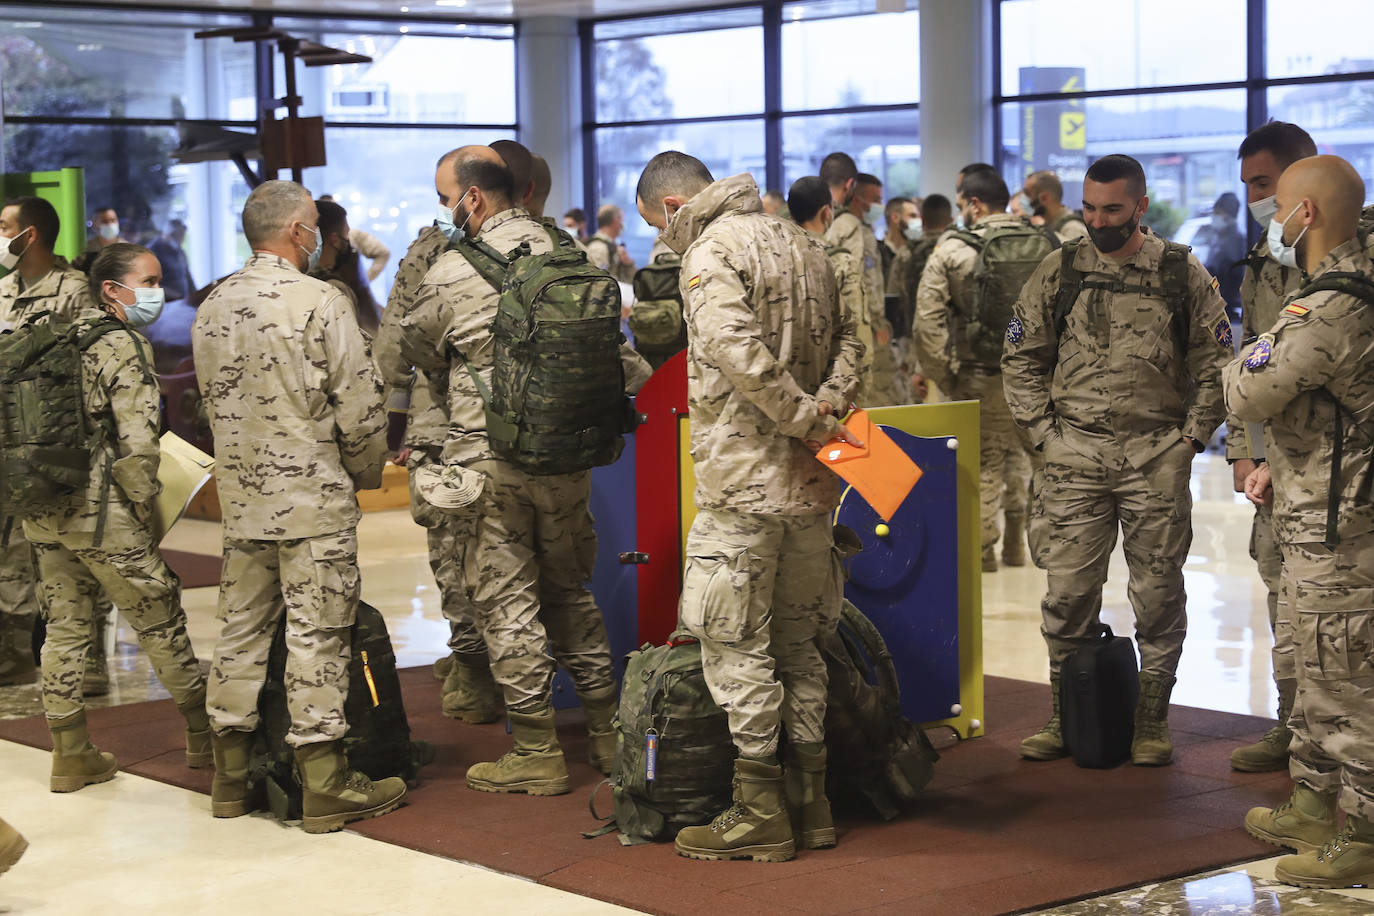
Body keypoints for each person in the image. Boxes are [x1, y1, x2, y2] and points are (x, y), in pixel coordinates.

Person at [399, 146, 651, 797]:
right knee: (572, 591)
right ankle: (605, 736)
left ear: (473, 199)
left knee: (507, 600)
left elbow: (416, 346)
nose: (445, 209)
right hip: (569, 455)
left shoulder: (453, 270)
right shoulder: (575, 256)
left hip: (491, 462)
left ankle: (537, 749)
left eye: (444, 195)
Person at [636, 151, 862, 863]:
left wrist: (800, 416)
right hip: (815, 486)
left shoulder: (710, 250)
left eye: (657, 227)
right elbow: (859, 341)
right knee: (801, 646)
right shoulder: (808, 241)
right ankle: (812, 800)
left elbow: (731, 347)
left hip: (743, 488)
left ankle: (759, 808)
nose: (662, 243)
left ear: (673, 208)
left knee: (736, 647)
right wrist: (827, 414)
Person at [1003, 154, 1232, 767]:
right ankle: (1064, 713)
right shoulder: (1061, 269)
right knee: (1068, 593)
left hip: (1155, 454)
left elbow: (1216, 363)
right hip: (1073, 455)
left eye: (1111, 209)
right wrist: (1046, 439)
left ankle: (1151, 721)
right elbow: (1021, 360)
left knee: (1158, 595)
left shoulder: (1181, 273)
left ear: (1139, 206)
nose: (1098, 220)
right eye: (1089, 208)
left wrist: (1190, 440)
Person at [192, 180, 404, 834]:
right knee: (318, 634)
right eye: (313, 224)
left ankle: (231, 778)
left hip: (245, 499)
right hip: (312, 501)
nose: (320, 237)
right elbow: (361, 410)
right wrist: (366, 473)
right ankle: (325, 784)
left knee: (239, 631)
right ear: (294, 231)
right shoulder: (321, 302)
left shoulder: (214, 304)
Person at [1226, 155, 1374, 889]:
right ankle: (1315, 803)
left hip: (1340, 527)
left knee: (1345, 679)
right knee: (1315, 669)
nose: (1271, 217)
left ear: (1305, 216)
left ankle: (1364, 832)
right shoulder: (1328, 294)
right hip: (1313, 506)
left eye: (1277, 202)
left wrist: (1246, 356)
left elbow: (1246, 388)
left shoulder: (1331, 308)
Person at [25, 242, 210, 793]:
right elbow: (137, 441)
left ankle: (71, 753)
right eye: (148, 282)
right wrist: (145, 501)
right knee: (158, 613)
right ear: (112, 290)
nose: (158, 292)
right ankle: (206, 740)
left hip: (43, 507)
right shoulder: (120, 342)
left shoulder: (49, 336)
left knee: (64, 626)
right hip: (102, 513)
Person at [373, 211, 502, 725]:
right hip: (535, 427)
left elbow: (396, 343)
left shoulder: (434, 247)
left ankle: (473, 674)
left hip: (448, 420)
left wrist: (389, 424)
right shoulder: (551, 245)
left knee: (453, 550)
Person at [1226, 121, 1318, 775]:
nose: (1256, 198)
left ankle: (1333, 746)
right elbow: (1252, 353)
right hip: (1276, 462)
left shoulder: (1350, 254)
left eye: (1263, 183)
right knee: (1279, 592)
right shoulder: (1265, 253)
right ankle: (1293, 726)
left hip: (1335, 465)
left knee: (1333, 610)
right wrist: (1245, 452)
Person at [0, 197, 115, 695]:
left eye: (4, 225)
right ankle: (14, 654)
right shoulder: (2, 289)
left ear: (30, 235)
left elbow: (91, 361)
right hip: (9, 441)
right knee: (12, 551)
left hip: (61, 441)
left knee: (75, 548)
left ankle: (88, 657)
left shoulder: (73, 291)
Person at [915, 168, 1037, 571]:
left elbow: (927, 324)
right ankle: (1018, 547)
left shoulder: (952, 250)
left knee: (983, 465)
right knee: (1024, 459)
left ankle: (983, 556)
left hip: (978, 376)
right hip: (1035, 381)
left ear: (975, 204)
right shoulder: (1047, 243)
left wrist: (947, 377)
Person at [312, 198, 381, 334]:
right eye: (346, 234)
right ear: (335, 240)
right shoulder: (336, 289)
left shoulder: (300, 277)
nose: (348, 241)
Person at [1195, 192, 1248, 318]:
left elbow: (1232, 276)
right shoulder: (1219, 237)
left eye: (1218, 213)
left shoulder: (1236, 240)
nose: (1214, 216)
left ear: (1227, 216)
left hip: (1224, 306)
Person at [1022, 171, 1089, 243]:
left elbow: (1076, 252)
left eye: (1027, 193)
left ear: (1044, 198)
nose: (1023, 199)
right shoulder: (1050, 223)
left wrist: (1045, 230)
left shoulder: (1072, 228)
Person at [146, 219, 195, 304]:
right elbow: (148, 283)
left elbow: (187, 276)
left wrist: (197, 296)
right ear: (169, 234)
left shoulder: (178, 250)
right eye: (179, 236)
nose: (181, 240)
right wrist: (174, 295)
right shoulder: (151, 252)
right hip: (165, 305)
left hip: (182, 302)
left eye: (182, 236)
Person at [586, 204, 636, 282]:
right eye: (622, 220)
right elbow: (598, 282)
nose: (623, 224)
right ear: (616, 221)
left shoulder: (614, 246)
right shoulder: (598, 248)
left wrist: (628, 263)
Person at [71, 207, 126, 274]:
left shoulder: (127, 248)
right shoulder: (86, 249)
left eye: (113, 220)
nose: (110, 224)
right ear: (95, 224)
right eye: (104, 221)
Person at [880, 196, 918, 285]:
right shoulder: (877, 253)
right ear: (895, 217)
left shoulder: (916, 253)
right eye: (913, 216)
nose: (918, 221)